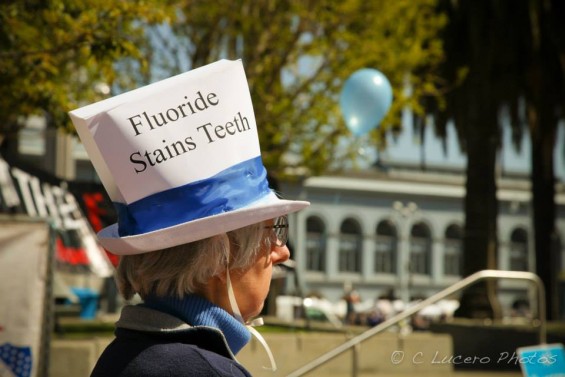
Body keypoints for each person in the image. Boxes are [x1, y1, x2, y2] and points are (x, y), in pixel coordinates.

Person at [69, 59, 310, 376]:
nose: (282, 250)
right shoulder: (202, 370)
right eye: (270, 231)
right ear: (218, 257)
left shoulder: (123, 354)